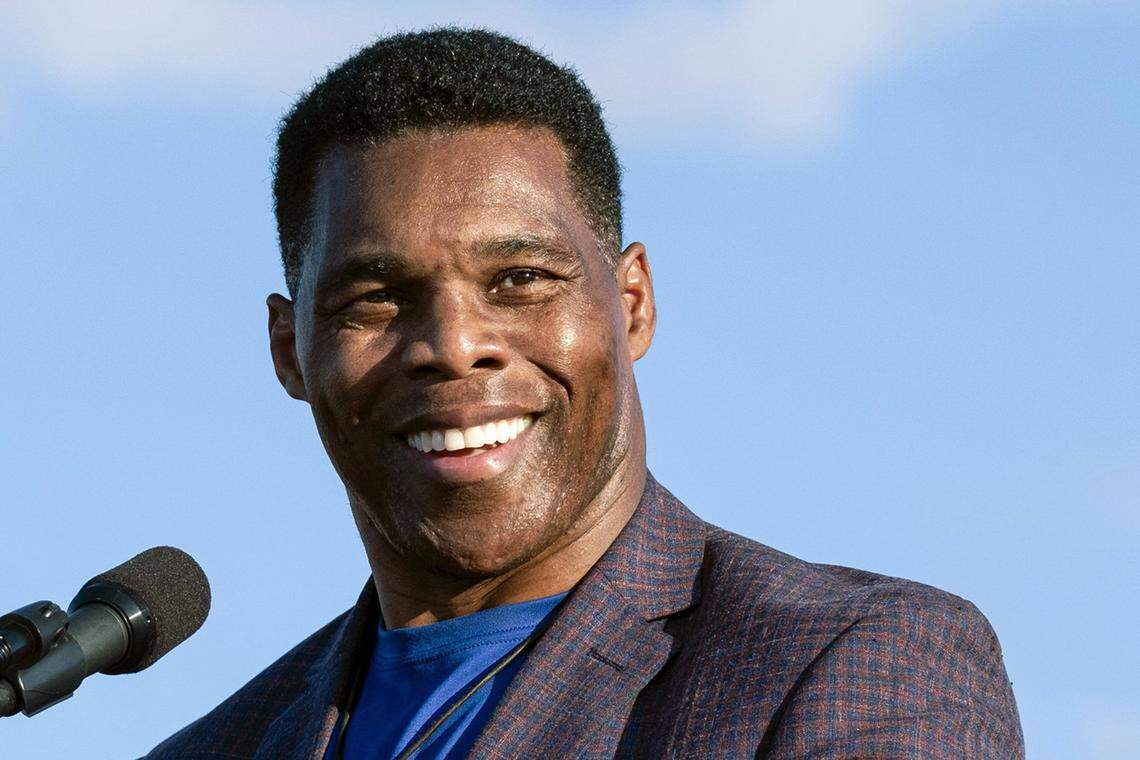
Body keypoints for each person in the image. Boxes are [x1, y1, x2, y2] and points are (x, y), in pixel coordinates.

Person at [147, 28, 1024, 759]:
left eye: (521, 278)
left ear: (631, 304)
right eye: (374, 299)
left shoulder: (852, 663)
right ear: (289, 351)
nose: (455, 347)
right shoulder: (215, 748)